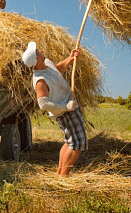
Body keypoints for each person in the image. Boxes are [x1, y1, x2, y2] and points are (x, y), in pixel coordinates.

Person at [22, 42, 88, 176]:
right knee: (78, 144)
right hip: (64, 112)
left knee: (69, 141)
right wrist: (66, 107)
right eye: (37, 52)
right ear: (36, 59)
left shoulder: (47, 63)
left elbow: (57, 69)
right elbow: (43, 104)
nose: (40, 50)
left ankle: (60, 173)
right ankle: (64, 177)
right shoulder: (40, 81)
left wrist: (70, 59)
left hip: (69, 105)